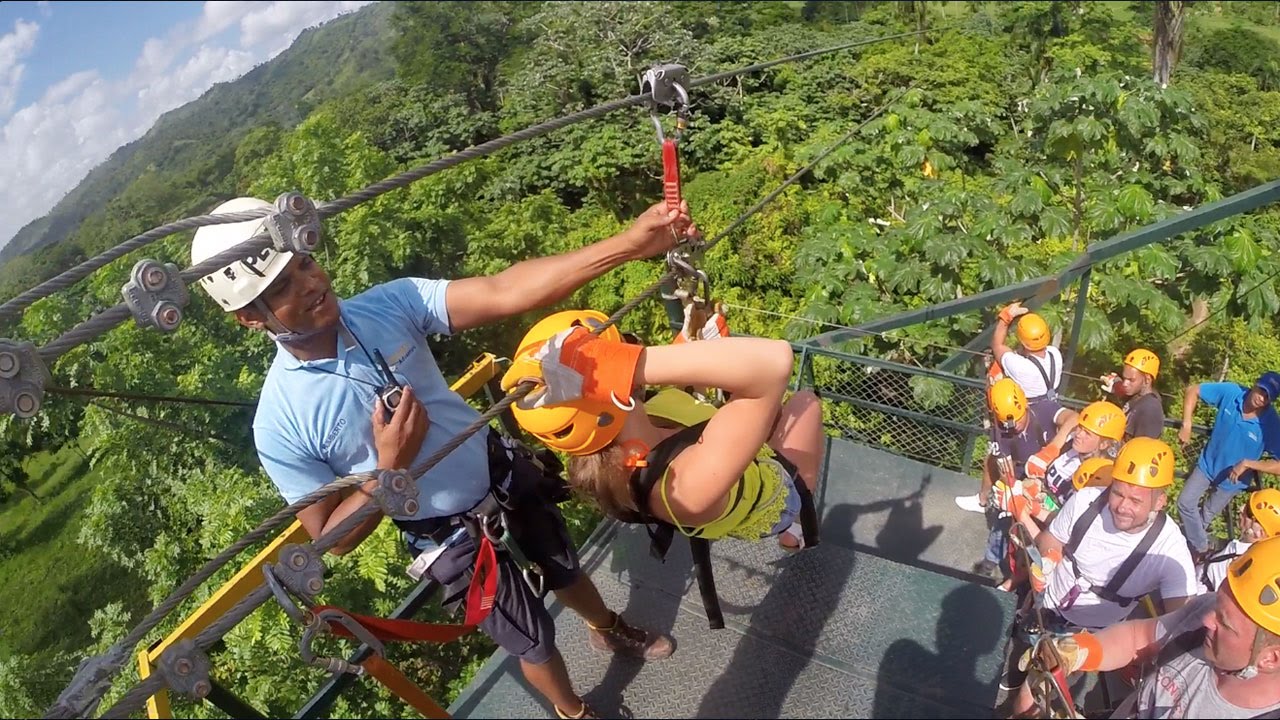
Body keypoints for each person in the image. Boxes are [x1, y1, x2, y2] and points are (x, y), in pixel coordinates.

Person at [190, 196, 689, 720]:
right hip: (446, 534)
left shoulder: (388, 305)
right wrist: (390, 470)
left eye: (306, 263)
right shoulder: (279, 424)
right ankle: (574, 713)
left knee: (563, 567)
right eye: (283, 286)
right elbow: (330, 538)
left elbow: (503, 290)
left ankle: (607, 629)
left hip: (497, 471)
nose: (312, 283)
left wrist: (628, 245)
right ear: (250, 317)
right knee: (531, 639)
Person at [498, 309, 825, 552]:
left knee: (770, 410)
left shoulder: (622, 439)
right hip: (773, 496)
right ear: (619, 387)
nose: (633, 349)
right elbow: (775, 362)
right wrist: (622, 366)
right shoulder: (685, 489)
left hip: (730, 468)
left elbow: (673, 396)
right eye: (623, 349)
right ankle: (793, 527)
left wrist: (694, 345)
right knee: (805, 403)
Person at [1008, 437, 1199, 714]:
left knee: (1031, 696)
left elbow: (1184, 618)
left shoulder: (1168, 549)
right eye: (1117, 493)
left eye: (1135, 500)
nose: (1122, 506)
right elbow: (1052, 539)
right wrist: (1049, 560)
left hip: (1086, 634)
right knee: (1020, 651)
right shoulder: (1086, 502)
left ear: (1159, 501)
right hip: (1046, 603)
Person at [1024, 534, 1280, 718]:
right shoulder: (1206, 613)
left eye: (1224, 623)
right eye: (1217, 607)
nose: (1207, 620)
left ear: (1271, 658)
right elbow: (1139, 638)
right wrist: (1078, 650)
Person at [1177, 373, 1280, 562]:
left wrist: (1249, 463)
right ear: (1255, 384)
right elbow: (1193, 390)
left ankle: (1185, 554)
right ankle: (1202, 549)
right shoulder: (1232, 392)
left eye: (1268, 397)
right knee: (1185, 502)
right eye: (1261, 391)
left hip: (1233, 481)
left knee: (1205, 517)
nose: (1261, 398)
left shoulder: (1271, 423)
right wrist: (1187, 423)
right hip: (1208, 464)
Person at [1199, 488, 1280, 594]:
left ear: (1260, 532)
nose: (1241, 509)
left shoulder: (1241, 563)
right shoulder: (1258, 556)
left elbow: (1222, 596)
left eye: (1249, 512)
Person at [1100, 348, 1166, 441]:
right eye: (1124, 378)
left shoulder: (1150, 409)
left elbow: (1142, 447)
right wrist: (1116, 384)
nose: (1125, 384)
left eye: (1131, 380)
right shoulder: (1136, 397)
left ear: (1147, 380)